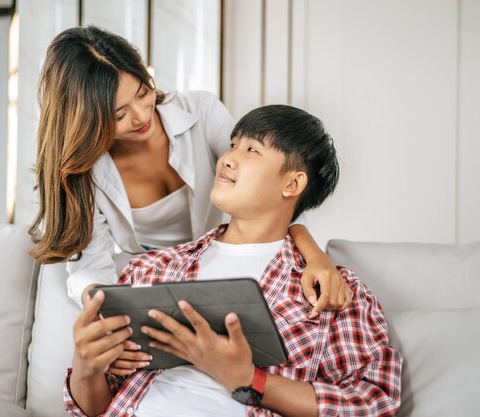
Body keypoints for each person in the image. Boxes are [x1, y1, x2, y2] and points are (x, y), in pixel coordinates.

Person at [28, 25, 350, 372]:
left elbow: (266, 192)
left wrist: (317, 257)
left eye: (142, 92)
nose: (140, 115)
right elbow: (90, 267)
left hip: (217, 261)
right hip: (150, 280)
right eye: (119, 114)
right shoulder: (83, 171)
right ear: (86, 119)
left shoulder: (200, 111)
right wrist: (115, 325)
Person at [64, 105, 403, 417]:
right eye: (233, 145)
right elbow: (93, 409)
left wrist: (251, 380)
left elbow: (374, 402)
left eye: (252, 150)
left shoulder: (329, 290)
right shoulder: (152, 269)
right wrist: (86, 367)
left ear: (293, 183)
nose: (226, 158)